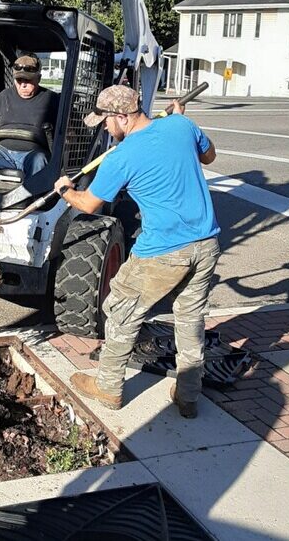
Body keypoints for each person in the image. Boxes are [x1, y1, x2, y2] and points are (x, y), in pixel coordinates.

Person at [54, 84, 220, 418]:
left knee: (121, 311)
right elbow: (209, 156)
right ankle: (188, 395)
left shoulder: (121, 157)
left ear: (121, 117)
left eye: (105, 120)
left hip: (163, 250)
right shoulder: (180, 126)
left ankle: (109, 387)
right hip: (207, 243)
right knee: (189, 318)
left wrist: (64, 191)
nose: (103, 127)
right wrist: (180, 122)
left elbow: (88, 205)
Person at [0, 54, 59, 188]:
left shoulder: (52, 99)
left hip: (34, 152)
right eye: (19, 80)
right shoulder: (3, 96)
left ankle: (35, 203)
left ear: (38, 78)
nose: (23, 85)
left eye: (28, 81)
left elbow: (65, 133)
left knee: (40, 160)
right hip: (2, 151)